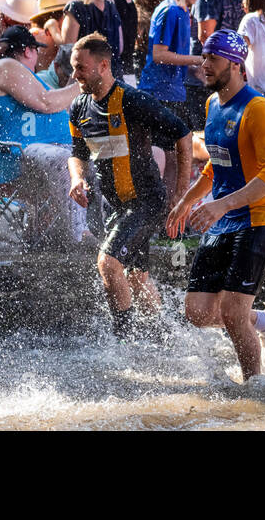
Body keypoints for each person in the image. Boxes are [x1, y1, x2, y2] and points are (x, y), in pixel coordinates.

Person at [167, 30, 265, 378]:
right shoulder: (211, 105)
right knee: (198, 312)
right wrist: (187, 202)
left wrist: (220, 205)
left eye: (213, 59)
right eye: (203, 57)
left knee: (234, 314)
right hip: (224, 220)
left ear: (235, 65)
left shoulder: (258, 108)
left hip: (258, 219)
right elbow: (214, 165)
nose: (204, 65)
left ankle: (256, 388)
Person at [70, 33, 193, 339]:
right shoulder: (78, 108)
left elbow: (183, 134)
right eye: (74, 68)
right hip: (115, 206)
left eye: (81, 68)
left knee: (108, 263)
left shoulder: (132, 99)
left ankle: (122, 343)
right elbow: (77, 152)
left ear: (103, 65)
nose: (75, 75)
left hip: (145, 202)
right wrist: (76, 178)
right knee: (136, 277)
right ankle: (166, 338)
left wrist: (181, 194)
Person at [0, 26, 86, 247]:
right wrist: (84, 85)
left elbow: (57, 102)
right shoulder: (7, 66)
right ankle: (78, 239)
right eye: (36, 52)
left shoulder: (27, 77)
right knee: (66, 161)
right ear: (29, 51)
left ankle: (105, 236)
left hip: (45, 153)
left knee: (94, 162)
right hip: (20, 155)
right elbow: (46, 102)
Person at [138, 0, 206, 128]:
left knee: (179, 149)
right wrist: (198, 59)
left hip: (174, 93)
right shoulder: (169, 10)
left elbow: (178, 57)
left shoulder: (184, 11)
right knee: (165, 151)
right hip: (157, 92)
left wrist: (199, 71)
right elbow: (159, 55)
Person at [58, 0, 124, 78]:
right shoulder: (111, 7)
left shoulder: (75, 7)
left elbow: (67, 50)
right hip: (113, 78)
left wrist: (53, 28)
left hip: (86, 81)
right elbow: (120, 47)